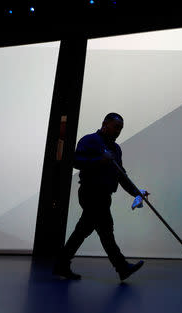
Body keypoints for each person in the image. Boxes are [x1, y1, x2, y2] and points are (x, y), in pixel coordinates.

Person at [53, 112, 148, 281]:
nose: (118, 131)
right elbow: (75, 162)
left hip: (104, 195)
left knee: (83, 230)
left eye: (121, 129)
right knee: (106, 230)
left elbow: (121, 175)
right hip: (90, 192)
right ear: (105, 124)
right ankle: (122, 267)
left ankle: (61, 264)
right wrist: (100, 160)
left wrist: (136, 192)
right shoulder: (89, 140)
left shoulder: (116, 148)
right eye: (116, 127)